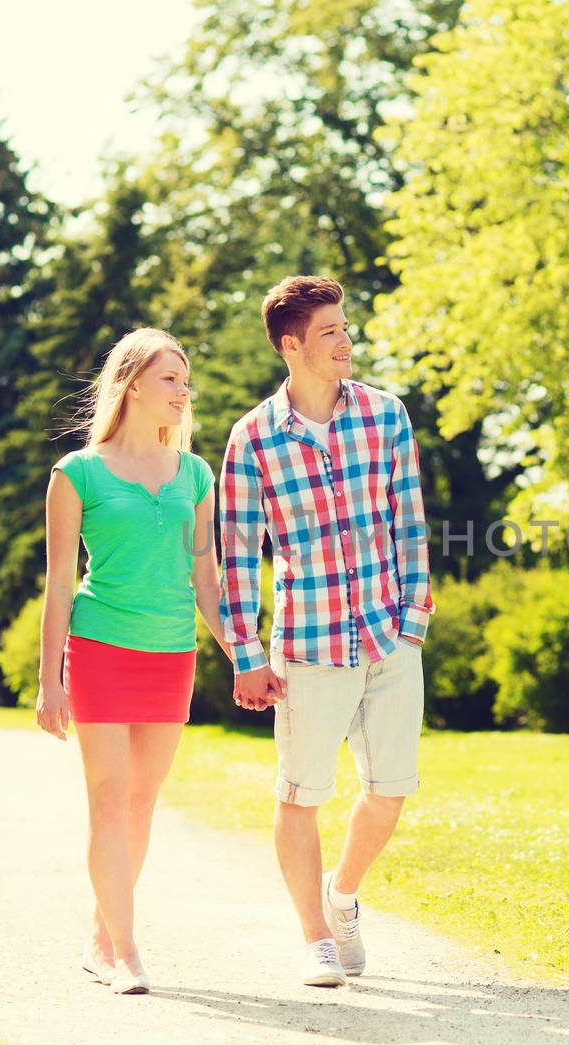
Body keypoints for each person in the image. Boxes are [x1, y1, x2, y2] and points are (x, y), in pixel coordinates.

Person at [218, 275, 434, 987]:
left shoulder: (385, 415)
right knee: (300, 793)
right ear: (291, 345)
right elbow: (238, 553)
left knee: (392, 787)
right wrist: (246, 655)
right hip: (309, 644)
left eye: (346, 328)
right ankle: (313, 936)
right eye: (331, 332)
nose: (346, 341)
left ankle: (341, 895)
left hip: (388, 637)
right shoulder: (252, 438)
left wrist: (413, 624)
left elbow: (409, 522)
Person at [36, 327, 229, 995]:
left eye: (185, 378)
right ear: (134, 383)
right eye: (171, 378)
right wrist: (49, 680)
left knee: (142, 803)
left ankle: (99, 932)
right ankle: (125, 948)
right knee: (110, 798)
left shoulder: (197, 474)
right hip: (99, 650)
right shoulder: (77, 474)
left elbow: (208, 581)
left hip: (170, 652)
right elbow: (60, 583)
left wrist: (245, 655)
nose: (184, 390)